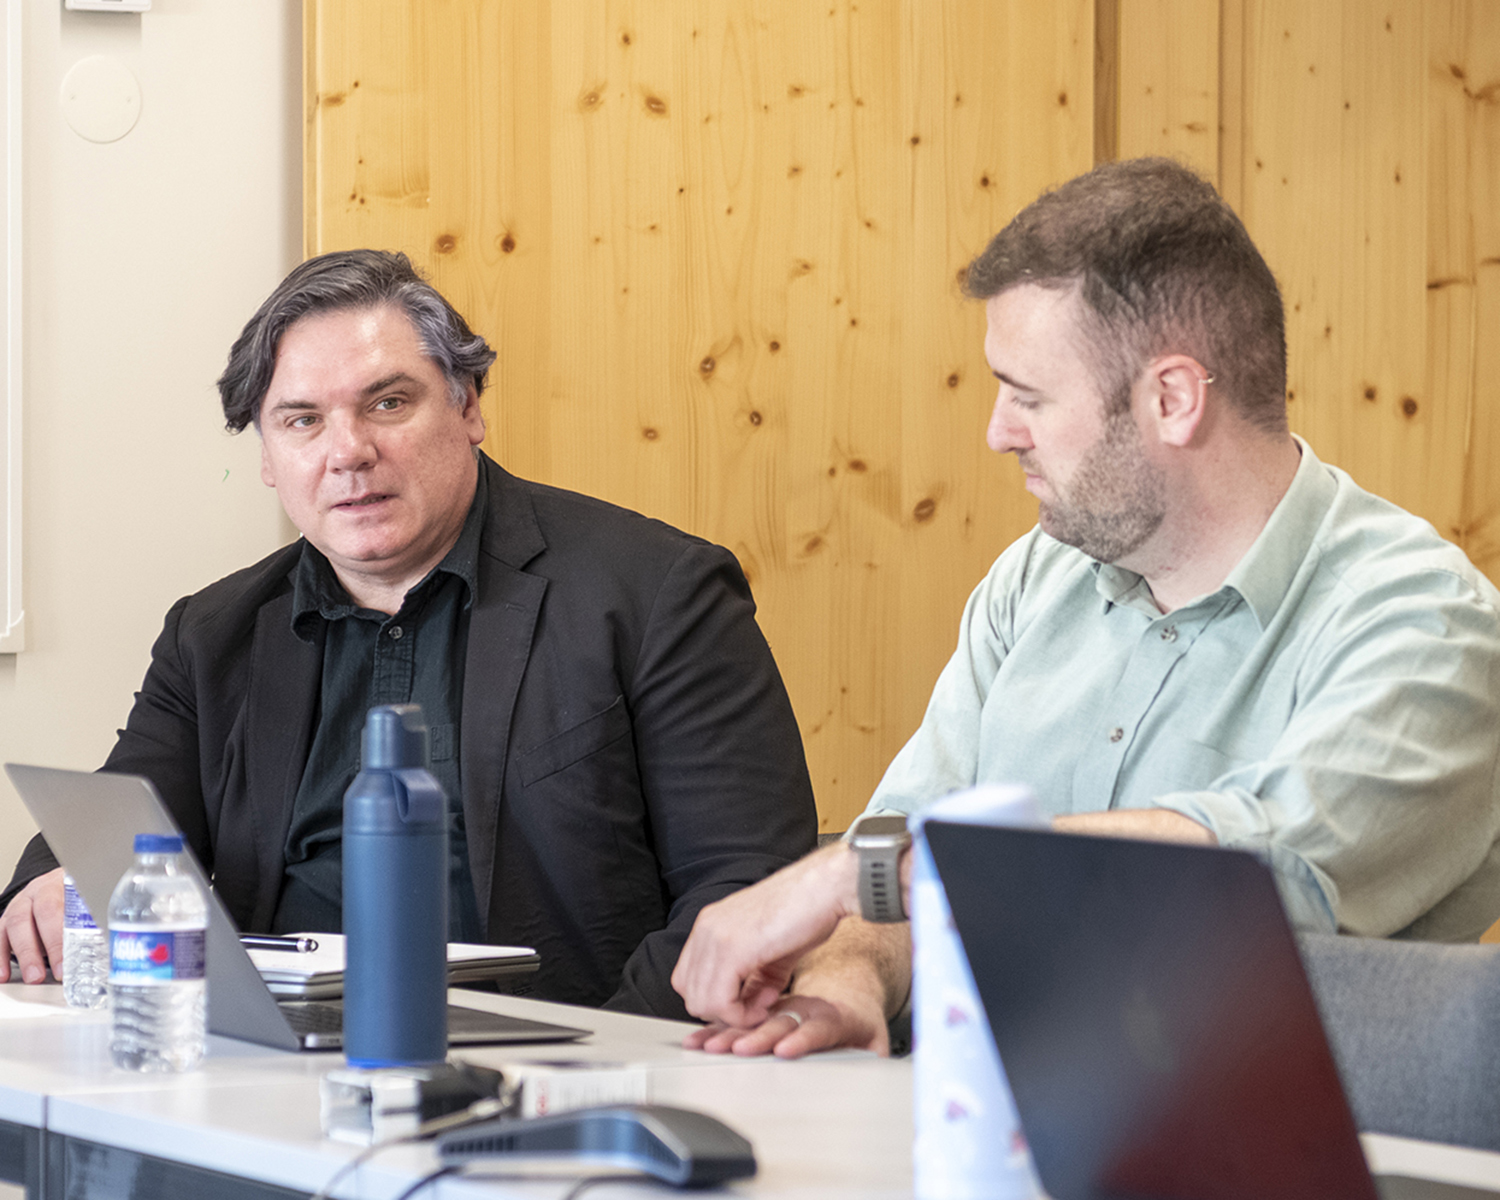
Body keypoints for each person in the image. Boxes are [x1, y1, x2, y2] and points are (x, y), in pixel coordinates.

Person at [671, 157, 1500, 1057]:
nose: (998, 431)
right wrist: (848, 982)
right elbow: (897, 864)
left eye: (1028, 396)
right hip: (994, 1111)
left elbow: (1262, 869)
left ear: (1172, 399)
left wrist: (865, 871)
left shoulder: (1427, 624)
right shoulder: (1036, 578)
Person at [0, 250, 817, 1019]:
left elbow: (745, 887)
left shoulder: (656, 592)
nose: (349, 452)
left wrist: (593, 1068)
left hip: (564, 1064)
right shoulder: (213, 635)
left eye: (388, 403)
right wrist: (56, 882)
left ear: (468, 407)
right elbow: (113, 837)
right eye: (302, 420)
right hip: (276, 1071)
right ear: (268, 457)